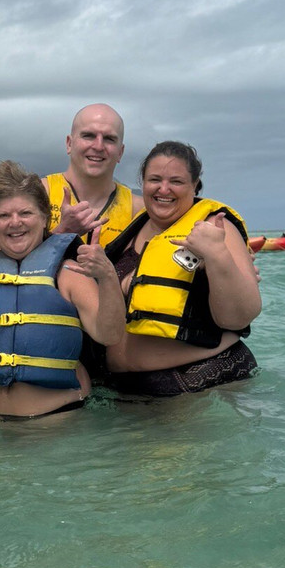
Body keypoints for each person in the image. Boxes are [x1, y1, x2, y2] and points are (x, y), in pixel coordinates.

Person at [0, 160, 125, 419]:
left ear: (44, 218)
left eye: (25, 213)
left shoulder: (68, 273)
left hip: (55, 423)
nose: (15, 222)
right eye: (3, 216)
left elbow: (109, 335)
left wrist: (108, 276)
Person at [99, 140, 262, 396]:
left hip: (203, 383)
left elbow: (240, 317)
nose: (164, 189)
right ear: (143, 183)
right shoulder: (131, 231)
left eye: (176, 181)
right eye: (155, 179)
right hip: (130, 392)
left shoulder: (214, 228)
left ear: (194, 185)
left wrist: (217, 256)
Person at [43, 103, 143, 247]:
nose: (98, 146)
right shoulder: (38, 195)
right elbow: (11, 256)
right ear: (69, 144)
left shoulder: (139, 210)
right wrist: (62, 233)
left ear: (120, 152)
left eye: (109, 139)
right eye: (88, 136)